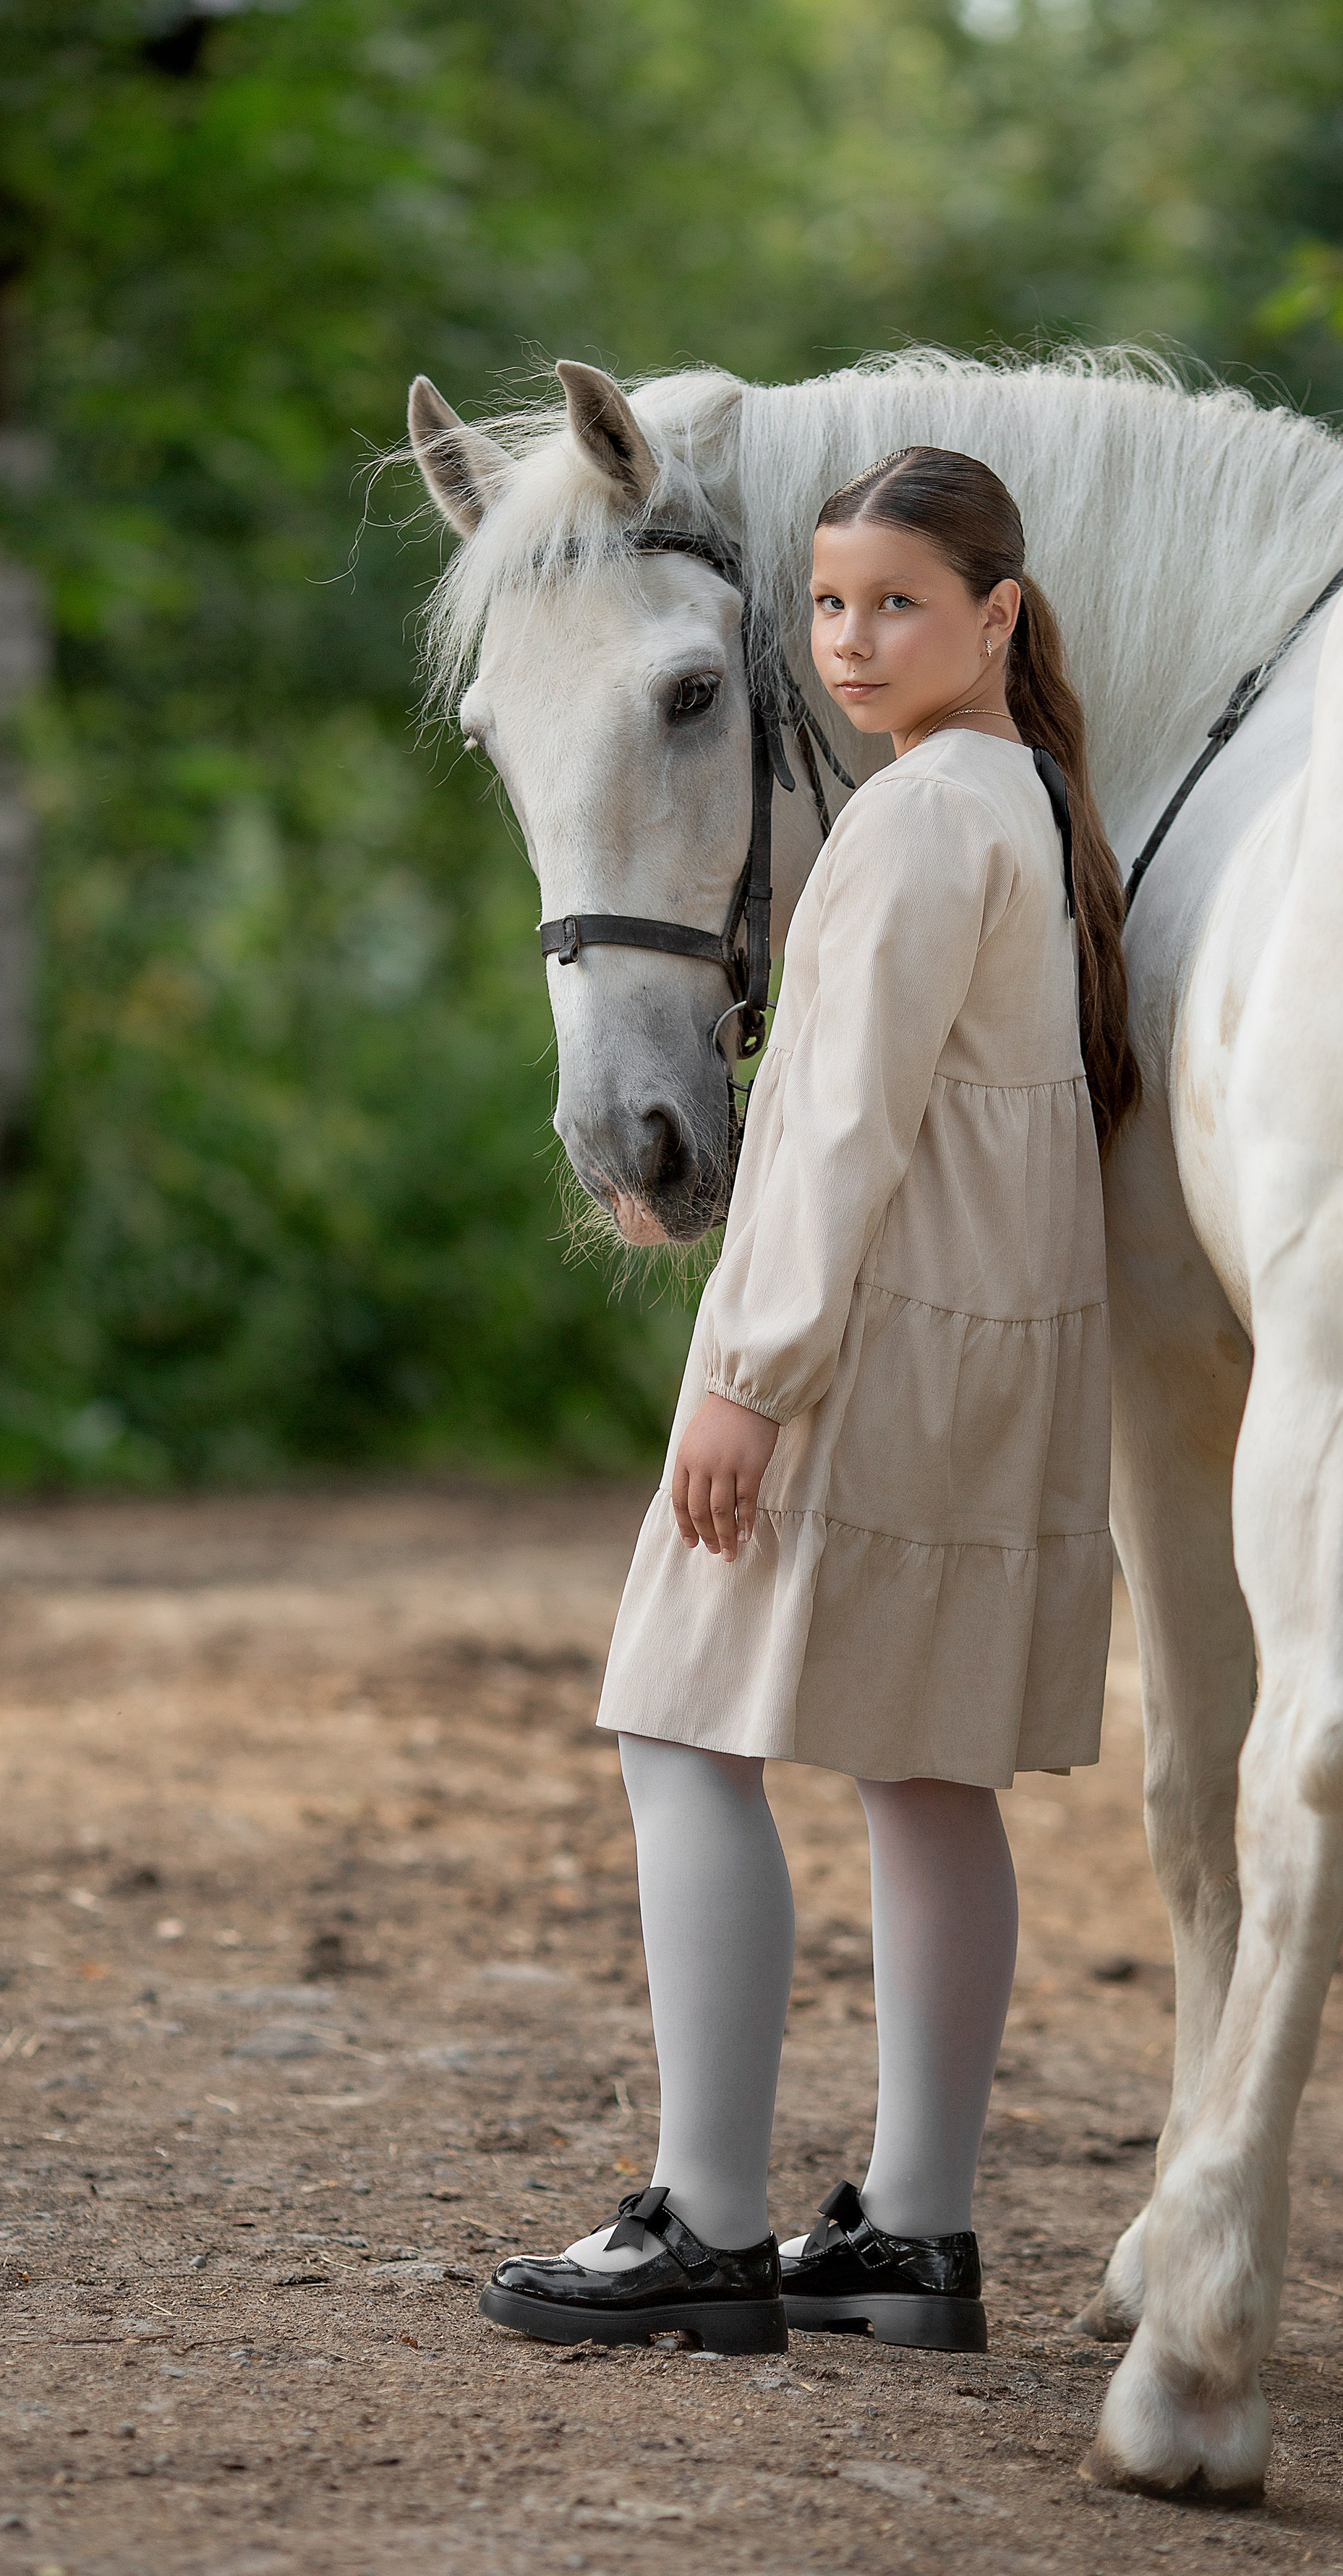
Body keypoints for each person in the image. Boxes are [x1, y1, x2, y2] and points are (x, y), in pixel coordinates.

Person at [481, 445, 1135, 2357]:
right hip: (989, 1344)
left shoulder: (920, 821)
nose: (852, 642)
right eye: (830, 608)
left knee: (676, 1726)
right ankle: (913, 2231)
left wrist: (748, 1379)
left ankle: (703, 2214)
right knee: (925, 1770)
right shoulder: (1022, 798)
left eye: (900, 607)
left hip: (867, 1343)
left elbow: (840, 1129)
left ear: (995, 618)